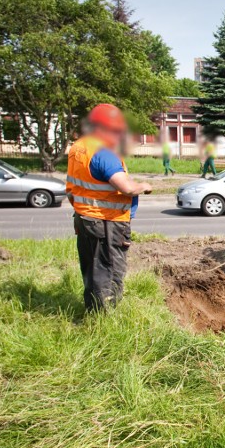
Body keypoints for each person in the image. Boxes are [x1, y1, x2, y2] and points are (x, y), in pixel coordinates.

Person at [66, 104, 153, 312]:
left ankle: (93, 311)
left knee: (92, 270)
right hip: (107, 223)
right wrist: (144, 186)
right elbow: (126, 187)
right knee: (109, 270)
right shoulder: (103, 152)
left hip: (85, 219)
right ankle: (105, 319)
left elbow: (72, 190)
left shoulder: (79, 147)